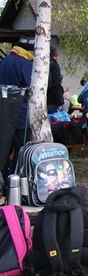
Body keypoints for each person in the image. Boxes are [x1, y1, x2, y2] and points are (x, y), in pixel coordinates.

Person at [0, 34, 35, 183]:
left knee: (3, 150)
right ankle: (14, 183)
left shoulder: (4, 61)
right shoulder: (26, 65)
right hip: (21, 116)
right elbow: (33, 88)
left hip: (3, 115)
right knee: (20, 150)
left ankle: (1, 181)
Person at [47, 46, 65, 113]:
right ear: (56, 55)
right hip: (52, 99)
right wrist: (60, 102)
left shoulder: (42, 64)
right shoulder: (54, 65)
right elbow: (56, 84)